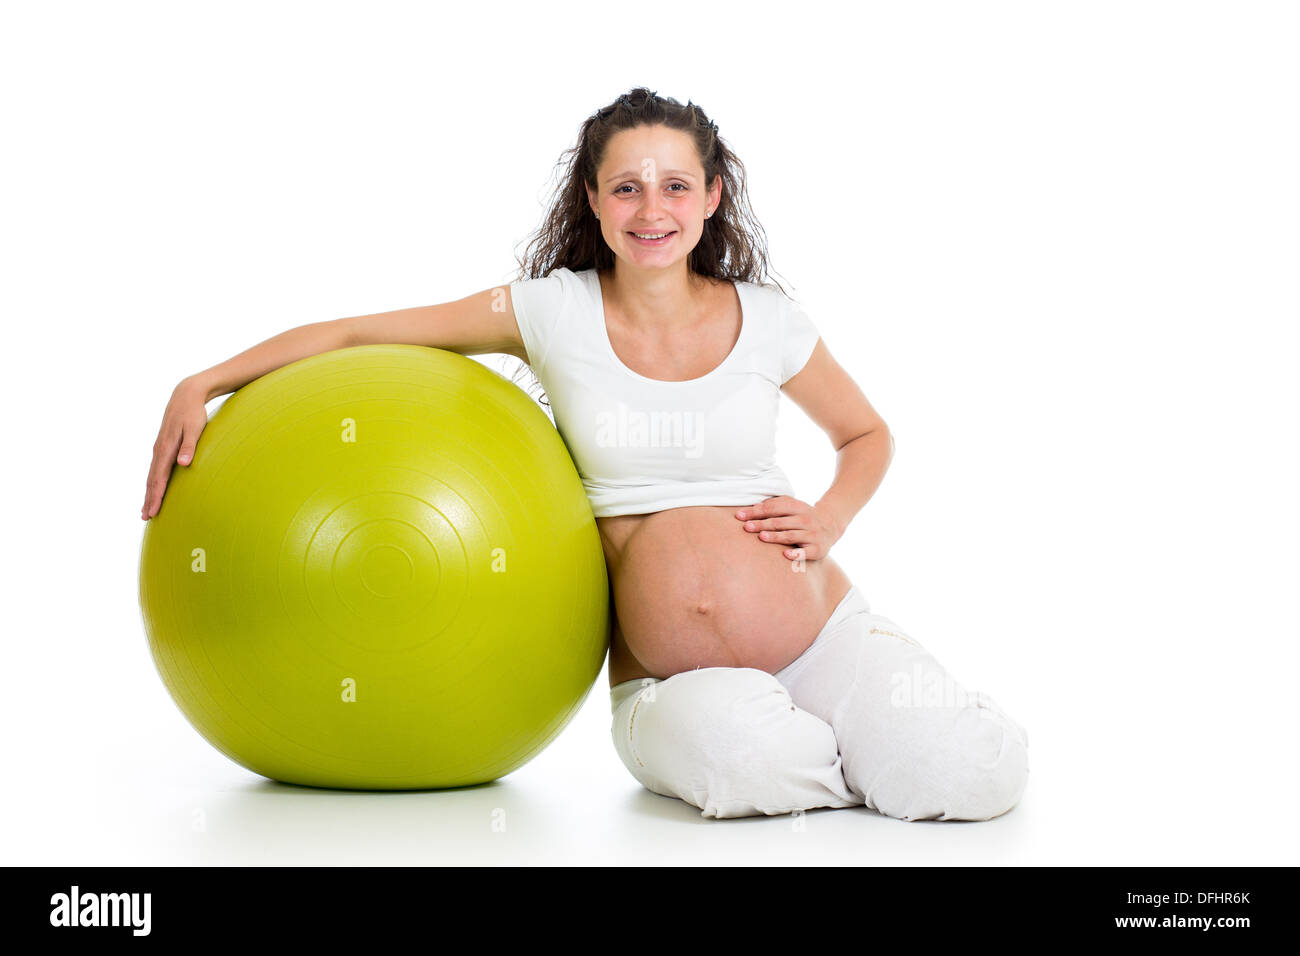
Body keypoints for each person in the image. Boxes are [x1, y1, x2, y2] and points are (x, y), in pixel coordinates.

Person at [143, 87, 1029, 822]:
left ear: (713, 196)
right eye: (628, 188)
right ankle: (844, 754)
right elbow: (357, 330)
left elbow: (867, 435)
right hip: (669, 681)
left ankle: (887, 734)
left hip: (819, 631)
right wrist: (207, 379)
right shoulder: (549, 313)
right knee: (747, 766)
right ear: (595, 201)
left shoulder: (770, 321)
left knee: (968, 775)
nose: (654, 210)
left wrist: (829, 518)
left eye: (677, 186)